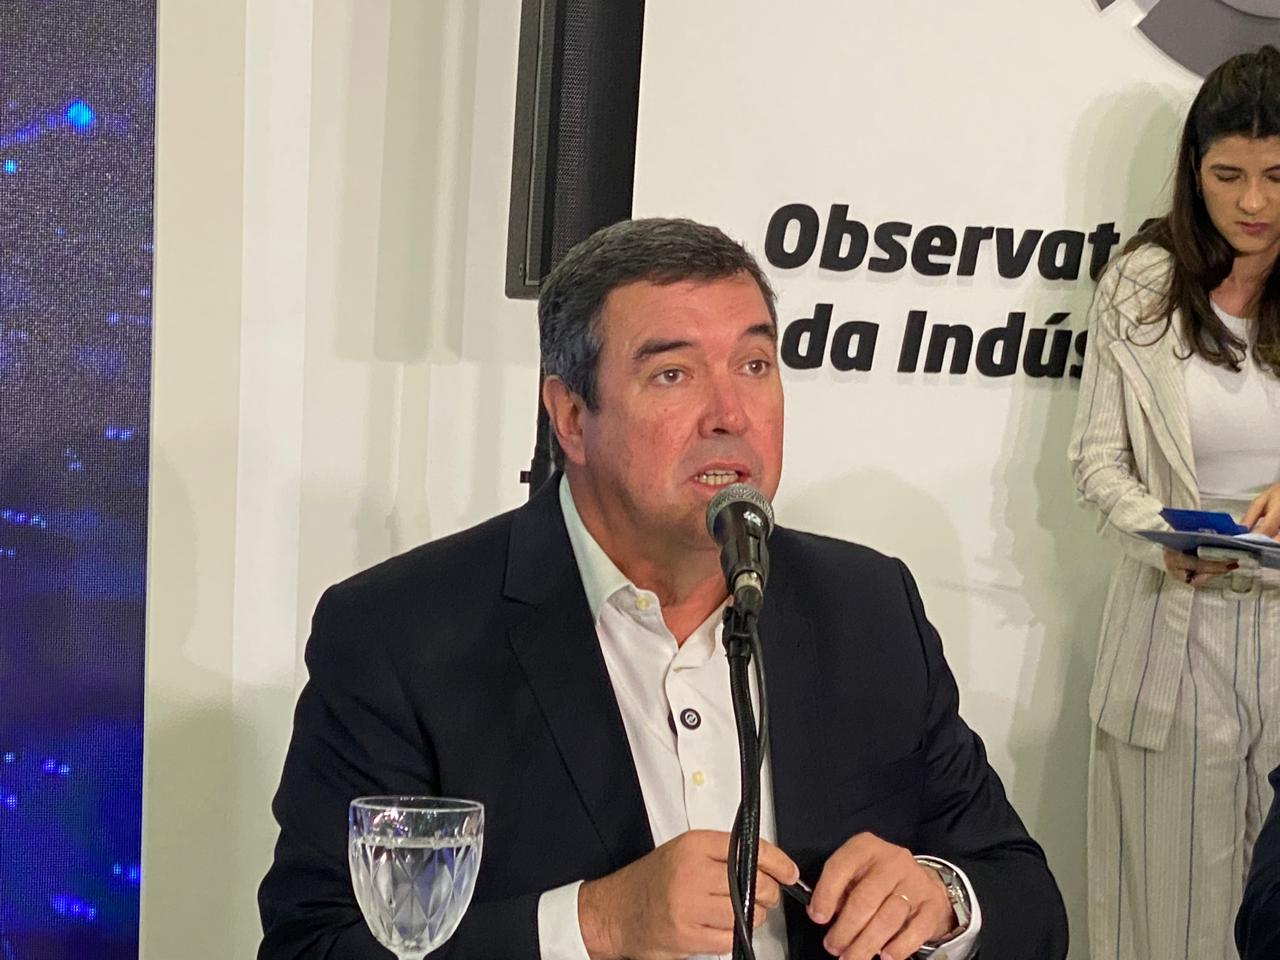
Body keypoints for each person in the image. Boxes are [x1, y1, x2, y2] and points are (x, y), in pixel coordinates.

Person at [259, 217, 1068, 960]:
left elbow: (1027, 900)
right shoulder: (400, 636)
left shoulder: (867, 608)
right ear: (569, 417)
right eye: (673, 374)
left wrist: (943, 900)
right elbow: (312, 946)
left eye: (754, 365)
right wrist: (598, 923)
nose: (730, 413)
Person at [1069, 44, 1280, 960]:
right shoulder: (1140, 285)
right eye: (1228, 176)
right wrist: (1160, 535)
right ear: (1194, 172)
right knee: (1175, 922)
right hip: (1175, 629)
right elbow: (1096, 460)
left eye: (1277, 177)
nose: (1253, 203)